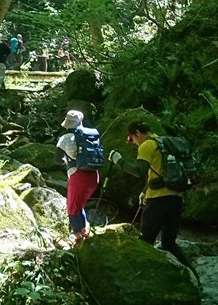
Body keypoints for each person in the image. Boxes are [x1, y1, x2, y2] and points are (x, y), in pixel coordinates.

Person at [108, 121, 190, 266]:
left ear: (137, 134)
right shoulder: (162, 142)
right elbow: (159, 172)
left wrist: (118, 160)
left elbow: (139, 171)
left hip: (158, 202)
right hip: (176, 199)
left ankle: (138, 276)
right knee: (169, 244)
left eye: (132, 139)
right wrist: (145, 191)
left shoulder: (146, 145)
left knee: (145, 242)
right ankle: (194, 278)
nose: (133, 143)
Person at [55, 110, 100, 245]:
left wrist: (67, 161)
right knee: (79, 206)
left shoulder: (65, 138)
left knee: (72, 208)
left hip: (78, 176)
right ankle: (84, 234)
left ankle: (79, 239)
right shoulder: (91, 136)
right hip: (93, 175)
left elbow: (57, 159)